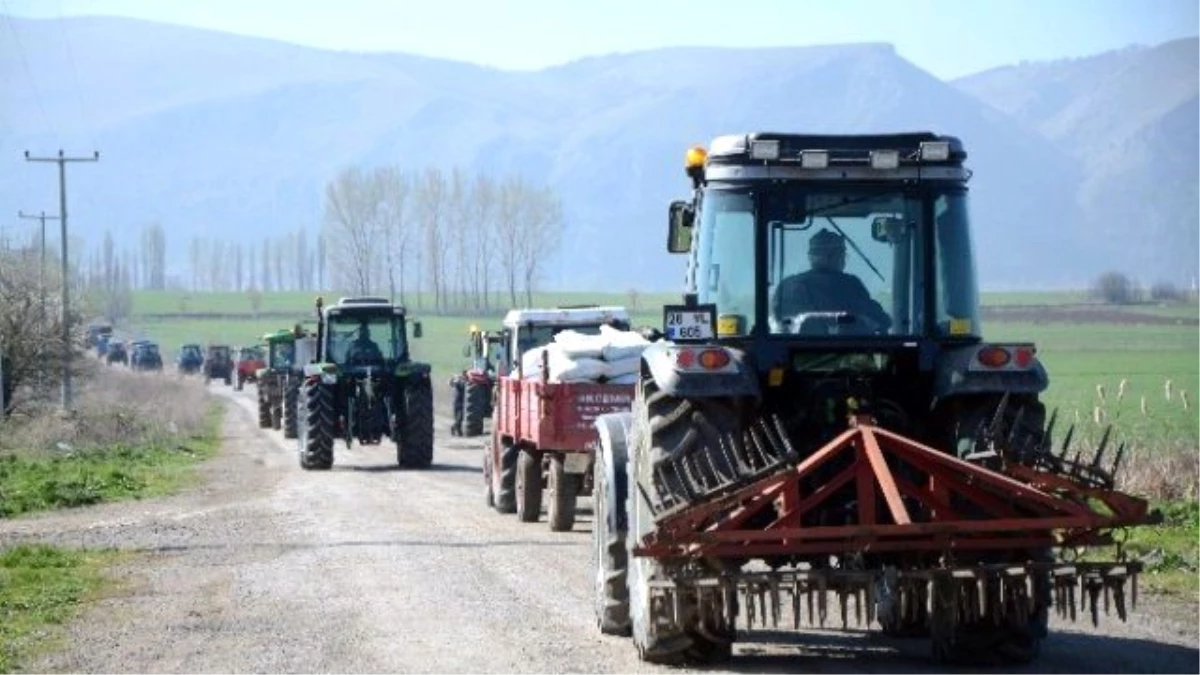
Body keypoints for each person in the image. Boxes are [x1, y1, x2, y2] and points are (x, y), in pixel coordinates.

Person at [773, 228, 892, 333]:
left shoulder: (787, 285)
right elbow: (881, 320)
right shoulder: (849, 285)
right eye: (843, 256)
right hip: (845, 354)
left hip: (792, 352)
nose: (844, 261)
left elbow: (778, 320)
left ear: (811, 257)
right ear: (833, 257)